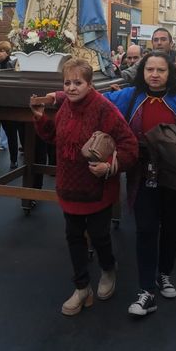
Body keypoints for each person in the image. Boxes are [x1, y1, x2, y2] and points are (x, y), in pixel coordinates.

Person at [104, 51, 176, 317]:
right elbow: (98, 103)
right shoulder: (130, 95)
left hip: (175, 175)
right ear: (142, 72)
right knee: (146, 229)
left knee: (171, 228)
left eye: (160, 70)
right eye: (149, 69)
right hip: (141, 174)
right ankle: (146, 290)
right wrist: (61, 96)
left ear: (170, 73)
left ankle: (164, 273)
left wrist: (166, 146)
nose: (154, 74)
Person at [31, 58, 138, 316]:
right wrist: (41, 119)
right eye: (67, 83)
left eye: (77, 82)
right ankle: (82, 288)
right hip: (69, 187)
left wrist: (111, 166)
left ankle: (108, 268)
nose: (71, 88)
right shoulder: (65, 106)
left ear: (90, 85)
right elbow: (55, 138)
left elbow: (130, 146)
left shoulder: (104, 109)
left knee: (100, 236)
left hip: (97, 189)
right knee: (74, 237)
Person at [0, 41, 23, 170]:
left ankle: (14, 160)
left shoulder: (12, 65)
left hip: (7, 105)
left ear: (7, 53)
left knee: (11, 134)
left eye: (1, 51)